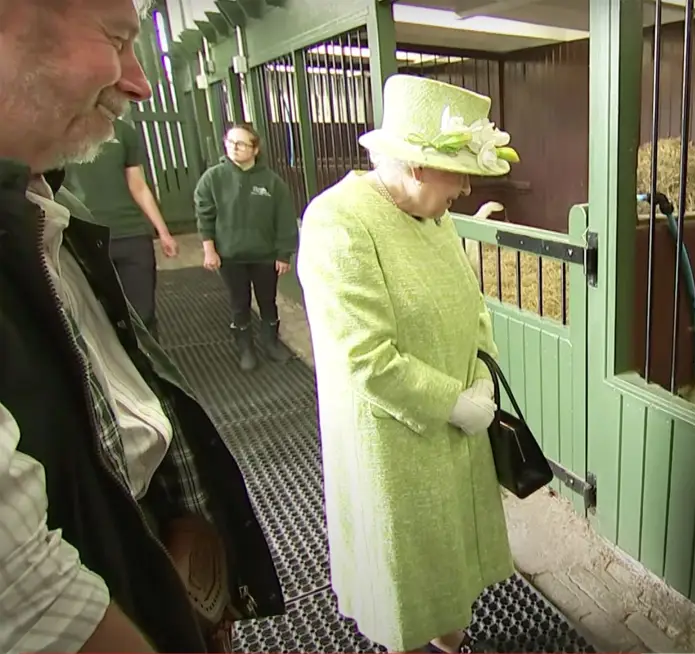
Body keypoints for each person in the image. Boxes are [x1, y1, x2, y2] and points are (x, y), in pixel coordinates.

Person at [0, 1, 284, 652]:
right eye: (117, 40)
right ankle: (243, 339)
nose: (139, 80)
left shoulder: (46, 209)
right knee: (237, 306)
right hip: (105, 590)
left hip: (149, 554)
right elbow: (29, 597)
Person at [297, 74, 522, 653]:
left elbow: (470, 302)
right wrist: (451, 401)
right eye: (462, 173)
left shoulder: (435, 215)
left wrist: (482, 369)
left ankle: (452, 640)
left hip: (457, 422)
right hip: (394, 439)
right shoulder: (339, 221)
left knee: (448, 560)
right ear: (417, 165)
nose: (468, 189)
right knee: (405, 572)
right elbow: (362, 356)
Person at [64, 115, 179, 340]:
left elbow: (137, 185)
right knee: (99, 316)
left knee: (142, 312)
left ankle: (151, 371)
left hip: (132, 234)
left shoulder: (123, 131)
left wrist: (163, 232)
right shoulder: (55, 131)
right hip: (84, 238)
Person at [195, 123, 298, 371]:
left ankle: (271, 344)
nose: (234, 148)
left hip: (264, 256)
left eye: (241, 144)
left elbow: (284, 219)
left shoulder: (272, 183)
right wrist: (209, 250)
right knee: (239, 303)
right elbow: (204, 214)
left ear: (255, 148)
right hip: (230, 257)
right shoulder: (213, 178)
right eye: (230, 142)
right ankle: (246, 349)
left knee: (268, 301)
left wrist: (284, 253)